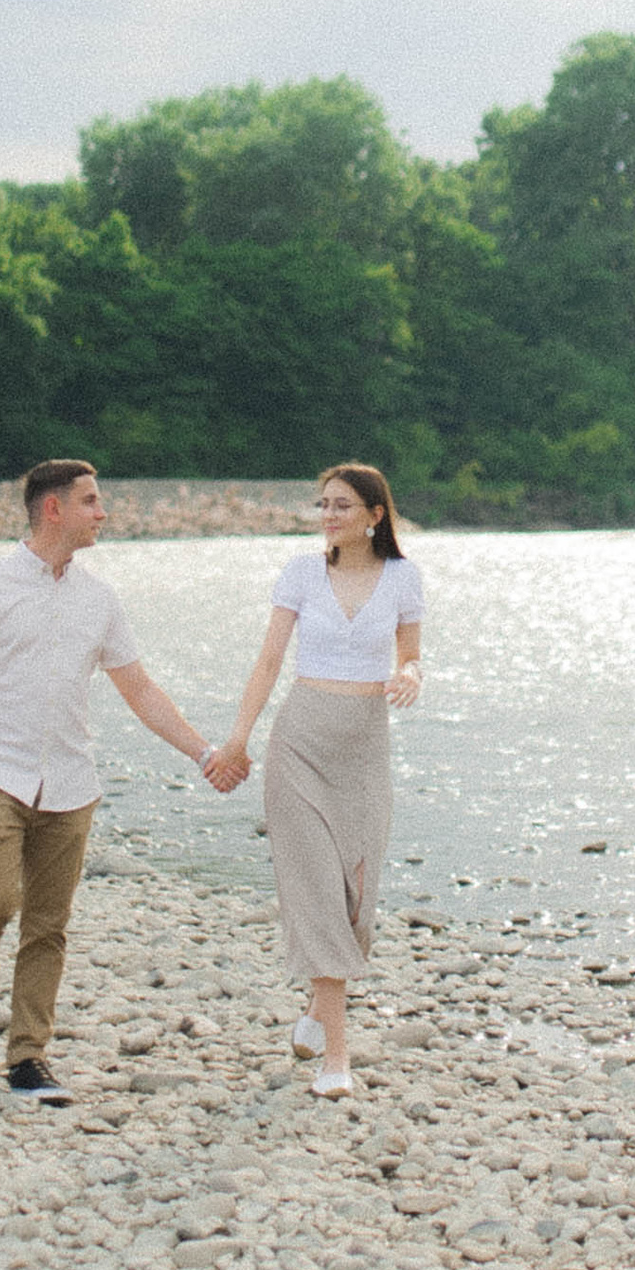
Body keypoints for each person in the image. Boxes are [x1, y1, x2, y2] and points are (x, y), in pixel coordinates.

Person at [0, 457, 242, 1102]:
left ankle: (28, 1058)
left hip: (71, 783)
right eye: (92, 501)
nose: (104, 513)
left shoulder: (99, 599)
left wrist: (203, 750)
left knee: (48, 925)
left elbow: (140, 689)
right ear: (53, 509)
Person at [207, 464, 422, 1096]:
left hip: (363, 747)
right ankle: (337, 1058)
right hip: (300, 742)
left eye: (342, 505)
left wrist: (410, 676)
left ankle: (314, 1007)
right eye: (322, 504)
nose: (328, 515)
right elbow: (270, 658)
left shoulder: (403, 577)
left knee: (356, 899)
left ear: (375, 514)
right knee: (317, 893)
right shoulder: (301, 574)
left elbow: (411, 653)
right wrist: (238, 740)